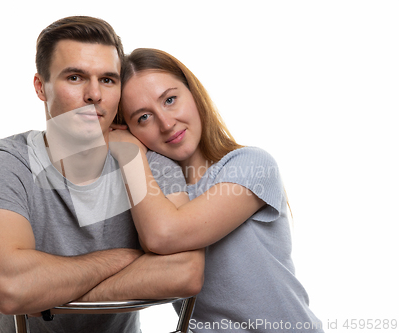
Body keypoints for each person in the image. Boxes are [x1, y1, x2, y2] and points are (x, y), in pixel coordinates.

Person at [0, 17, 204, 333]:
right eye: (75, 77)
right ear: (41, 86)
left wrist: (44, 296)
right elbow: (8, 287)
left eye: (107, 80)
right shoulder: (8, 164)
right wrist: (130, 258)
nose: (94, 94)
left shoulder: (148, 163)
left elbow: (184, 273)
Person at [109, 48, 324, 332]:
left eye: (170, 100)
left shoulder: (252, 165)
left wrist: (131, 154)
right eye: (143, 118)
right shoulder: (150, 201)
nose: (166, 123)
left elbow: (165, 235)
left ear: (194, 93)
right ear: (129, 129)